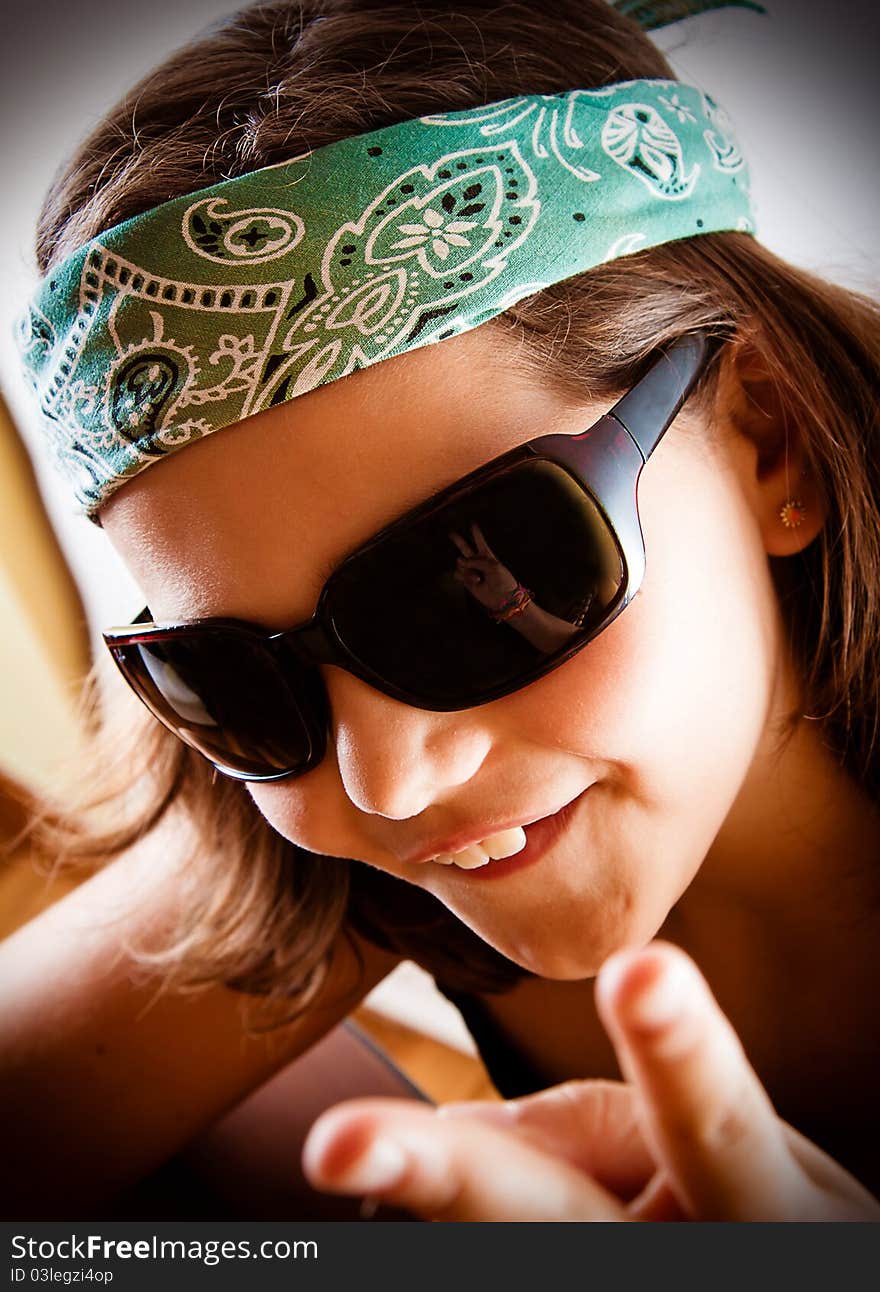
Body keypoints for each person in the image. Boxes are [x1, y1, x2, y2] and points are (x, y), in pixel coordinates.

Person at [6, 0, 880, 1222]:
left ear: (767, 440)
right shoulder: (323, 860)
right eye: (232, 682)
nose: (386, 784)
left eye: (470, 585)